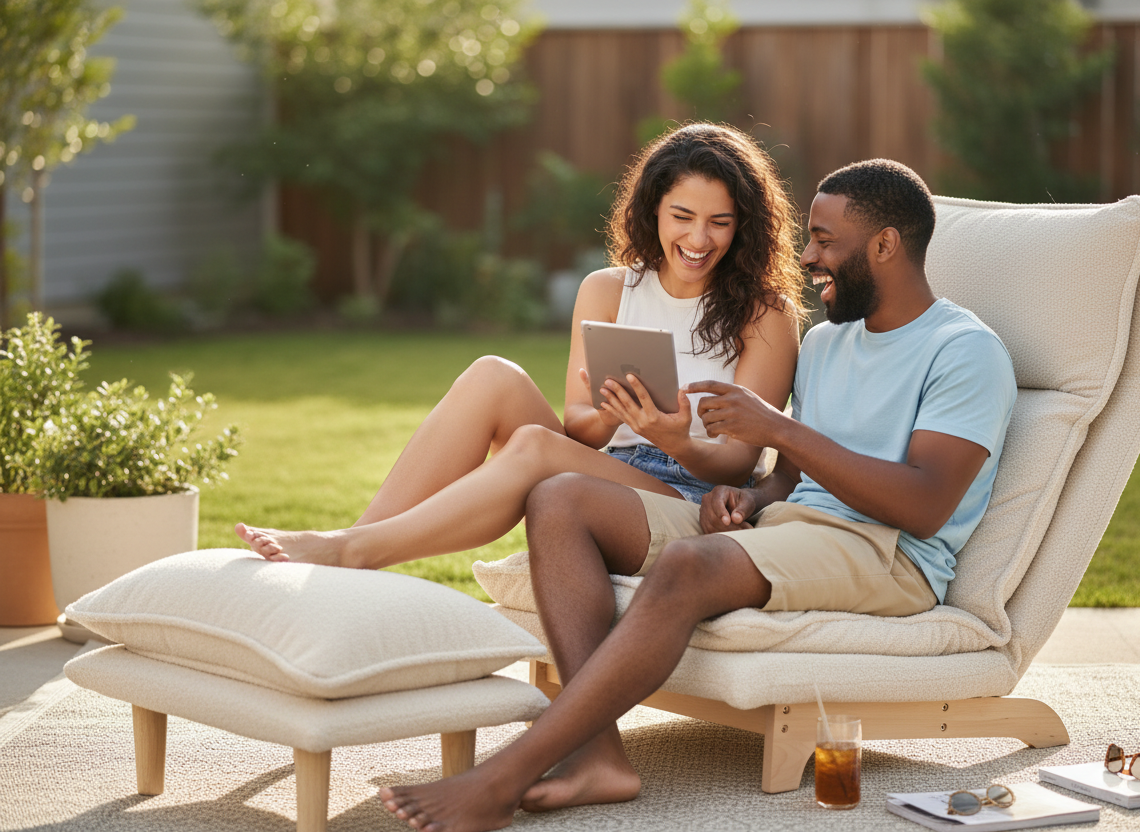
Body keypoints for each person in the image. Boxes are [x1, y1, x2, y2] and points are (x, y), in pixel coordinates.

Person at [375, 159, 1017, 831]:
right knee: (560, 498)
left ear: (884, 245)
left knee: (689, 564)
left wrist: (777, 429)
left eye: (825, 240)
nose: (807, 256)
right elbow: (788, 477)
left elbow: (923, 506)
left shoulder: (963, 351)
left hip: (889, 553)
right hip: (790, 527)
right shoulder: (829, 342)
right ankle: (599, 760)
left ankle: (500, 778)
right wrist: (747, 499)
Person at [234, 123, 806, 569]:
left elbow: (738, 462)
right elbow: (579, 426)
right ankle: (353, 538)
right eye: (682, 216)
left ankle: (352, 552)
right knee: (493, 374)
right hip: (611, 465)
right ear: (654, 207)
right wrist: (613, 416)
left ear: (744, 226)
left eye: (719, 222)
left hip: (691, 493)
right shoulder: (608, 289)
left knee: (534, 445)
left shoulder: (766, 314)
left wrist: (672, 437)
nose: (699, 238)